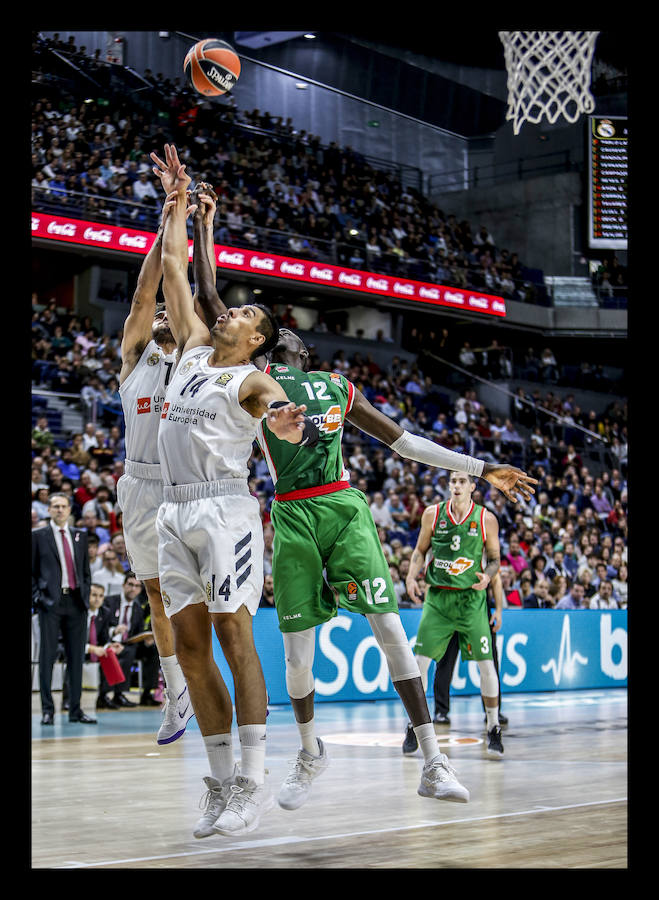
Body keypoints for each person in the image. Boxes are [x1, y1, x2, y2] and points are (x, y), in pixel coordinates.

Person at [250, 328, 536, 810]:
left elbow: (404, 443)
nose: (284, 334)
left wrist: (482, 467)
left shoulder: (337, 385)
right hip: (292, 513)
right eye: (273, 332)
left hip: (342, 508)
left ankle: (432, 760)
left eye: (291, 335)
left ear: (306, 353)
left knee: (390, 631)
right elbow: (212, 305)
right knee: (297, 658)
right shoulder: (255, 383)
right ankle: (308, 751)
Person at [151, 143, 318, 839]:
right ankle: (219, 783)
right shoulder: (190, 346)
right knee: (188, 648)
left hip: (224, 508)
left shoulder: (251, 380)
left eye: (245, 314)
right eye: (232, 309)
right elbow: (171, 271)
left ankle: (253, 776)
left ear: (259, 340)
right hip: (171, 503)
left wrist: (287, 421)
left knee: (232, 633)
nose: (229, 313)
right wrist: (176, 209)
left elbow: (278, 411)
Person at [114, 179, 220, 744]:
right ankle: (175, 694)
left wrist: (191, 218)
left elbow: (193, 288)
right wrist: (164, 220)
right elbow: (144, 290)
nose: (158, 317)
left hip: (188, 487)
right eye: (152, 317)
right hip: (139, 485)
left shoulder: (193, 357)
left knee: (208, 598)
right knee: (156, 593)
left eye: (166, 317)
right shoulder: (134, 357)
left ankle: (225, 690)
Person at [405, 472, 505, 758]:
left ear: (473, 486)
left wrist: (487, 577)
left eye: (462, 481)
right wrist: (412, 577)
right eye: (453, 481)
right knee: (419, 664)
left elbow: (496, 560)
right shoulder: (432, 514)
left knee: (487, 666)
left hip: (471, 600)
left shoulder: (486, 519)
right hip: (438, 598)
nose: (457, 486)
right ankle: (414, 724)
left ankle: (494, 727)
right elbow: (419, 550)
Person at [32, 492, 96, 725]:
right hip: (50, 603)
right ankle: (48, 710)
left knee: (76, 659)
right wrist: (38, 598)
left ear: (70, 510)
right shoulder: (38, 536)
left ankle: (75, 710)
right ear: (48, 510)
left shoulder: (80, 535)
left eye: (64, 506)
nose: (60, 510)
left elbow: (85, 572)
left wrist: (86, 596)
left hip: (77, 603)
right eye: (55, 506)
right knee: (47, 657)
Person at [431, 570, 509, 727]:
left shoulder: (484, 549)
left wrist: (499, 610)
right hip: (450, 611)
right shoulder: (447, 549)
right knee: (445, 662)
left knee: (490, 662)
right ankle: (441, 711)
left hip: (478, 611)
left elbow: (496, 579)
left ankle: (493, 711)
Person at [106, 572, 160, 706]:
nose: (133, 589)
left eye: (137, 586)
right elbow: (101, 626)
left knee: (153, 650)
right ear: (123, 585)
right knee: (128, 652)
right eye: (130, 584)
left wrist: (147, 639)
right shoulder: (110, 602)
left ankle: (147, 693)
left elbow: (139, 631)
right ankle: (119, 694)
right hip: (111, 642)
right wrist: (114, 631)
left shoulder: (138, 608)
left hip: (130, 643)